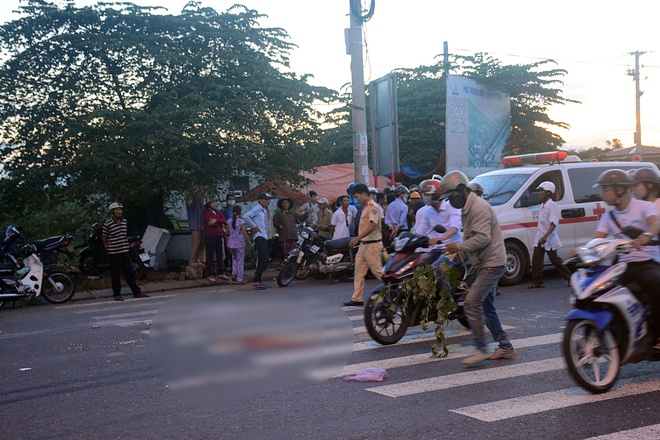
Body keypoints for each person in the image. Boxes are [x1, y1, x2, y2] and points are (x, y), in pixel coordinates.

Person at [440, 171, 516, 365]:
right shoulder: (468, 207)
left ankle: (481, 349)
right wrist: (461, 251)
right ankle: (505, 346)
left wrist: (458, 246)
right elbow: (474, 237)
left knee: (471, 301)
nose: (449, 203)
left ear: (460, 191)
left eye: (450, 198)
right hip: (483, 262)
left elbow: (481, 238)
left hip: (492, 263)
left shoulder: (479, 208)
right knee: (486, 306)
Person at [591, 169, 660, 342]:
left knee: (656, 282)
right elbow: (597, 240)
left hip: (646, 262)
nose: (603, 195)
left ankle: (658, 336)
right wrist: (581, 251)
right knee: (602, 290)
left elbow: (655, 224)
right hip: (622, 266)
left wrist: (646, 236)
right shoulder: (608, 217)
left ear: (619, 190)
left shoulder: (644, 206)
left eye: (606, 190)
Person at [343, 184, 383, 307]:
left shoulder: (372, 207)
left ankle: (398, 290)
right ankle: (357, 298)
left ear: (364, 194)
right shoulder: (365, 207)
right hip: (364, 245)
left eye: (357, 197)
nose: (356, 199)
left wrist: (357, 239)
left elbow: (372, 225)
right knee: (358, 272)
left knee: (378, 272)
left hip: (372, 245)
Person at [529, 182, 573, 288]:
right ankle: (537, 282)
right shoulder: (542, 205)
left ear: (548, 193)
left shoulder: (552, 205)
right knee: (536, 260)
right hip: (540, 237)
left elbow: (553, 223)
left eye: (542, 191)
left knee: (555, 260)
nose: (539, 193)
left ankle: (571, 278)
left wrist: (546, 237)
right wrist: (541, 237)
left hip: (549, 238)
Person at [102, 202, 149, 301]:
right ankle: (117, 294)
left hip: (124, 250)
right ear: (112, 212)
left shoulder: (124, 222)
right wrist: (107, 246)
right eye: (117, 210)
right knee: (115, 274)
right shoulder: (108, 224)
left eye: (120, 210)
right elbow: (105, 237)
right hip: (114, 252)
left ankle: (136, 292)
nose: (119, 212)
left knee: (130, 272)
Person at [244, 192, 275, 289]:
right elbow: (246, 216)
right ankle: (256, 280)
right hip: (259, 236)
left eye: (269, 200)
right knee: (265, 259)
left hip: (264, 236)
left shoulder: (264, 210)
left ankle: (258, 281)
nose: (268, 201)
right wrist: (254, 226)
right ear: (260, 200)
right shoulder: (257, 208)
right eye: (266, 199)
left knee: (263, 259)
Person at [203, 198, 228, 282]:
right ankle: (209, 274)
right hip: (210, 236)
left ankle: (220, 272)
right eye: (212, 202)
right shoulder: (206, 213)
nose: (214, 204)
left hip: (218, 235)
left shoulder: (218, 212)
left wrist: (216, 220)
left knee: (219, 254)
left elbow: (223, 220)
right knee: (210, 255)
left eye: (215, 202)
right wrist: (218, 222)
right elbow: (209, 223)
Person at [226, 205, 252, 285]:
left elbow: (227, 232)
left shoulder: (229, 221)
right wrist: (249, 243)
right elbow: (244, 233)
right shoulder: (241, 222)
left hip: (231, 243)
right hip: (240, 243)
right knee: (240, 261)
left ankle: (234, 273)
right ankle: (240, 278)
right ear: (240, 212)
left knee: (234, 259)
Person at [273, 197, 303, 266]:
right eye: (283, 203)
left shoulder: (292, 214)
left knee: (293, 253)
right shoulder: (279, 214)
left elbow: (301, 218)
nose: (285, 204)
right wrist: (278, 225)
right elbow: (274, 221)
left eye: (286, 203)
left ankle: (292, 267)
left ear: (289, 204)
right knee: (286, 253)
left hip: (293, 236)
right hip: (284, 237)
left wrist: (307, 213)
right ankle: (286, 267)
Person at [185, 185, 205, 267]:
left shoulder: (201, 202)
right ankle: (192, 260)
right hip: (195, 225)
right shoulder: (191, 201)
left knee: (202, 243)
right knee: (196, 243)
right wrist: (192, 193)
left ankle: (199, 260)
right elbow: (188, 202)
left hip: (202, 224)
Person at [221, 194, 236, 271]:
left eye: (233, 199)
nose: (231, 200)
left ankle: (234, 265)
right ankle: (227, 265)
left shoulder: (235, 209)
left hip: (235, 231)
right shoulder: (224, 210)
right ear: (227, 201)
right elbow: (223, 221)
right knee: (227, 249)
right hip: (227, 231)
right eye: (230, 199)